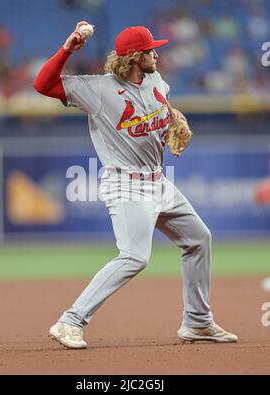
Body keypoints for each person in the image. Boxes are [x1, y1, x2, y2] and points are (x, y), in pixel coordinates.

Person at [34, 21, 238, 349]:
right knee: (134, 257)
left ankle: (197, 322)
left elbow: (162, 106)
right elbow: (43, 85)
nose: (156, 54)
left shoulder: (154, 79)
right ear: (134, 57)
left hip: (159, 182)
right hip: (125, 184)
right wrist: (68, 49)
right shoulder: (97, 89)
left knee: (199, 239)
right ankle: (70, 321)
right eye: (150, 51)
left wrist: (175, 117)